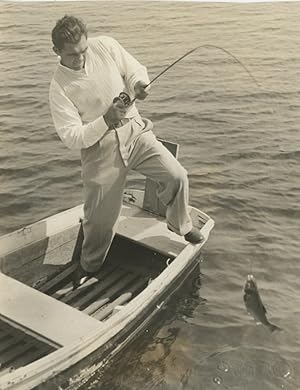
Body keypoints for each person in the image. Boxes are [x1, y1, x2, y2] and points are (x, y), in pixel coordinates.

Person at [49, 15, 203, 288]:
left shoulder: (105, 45)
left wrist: (139, 84)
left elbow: (134, 69)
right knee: (99, 217)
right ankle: (89, 265)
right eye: (72, 55)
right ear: (57, 52)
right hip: (100, 147)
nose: (81, 58)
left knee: (176, 176)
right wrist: (105, 120)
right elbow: (73, 138)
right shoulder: (59, 87)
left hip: (135, 131)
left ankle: (181, 224)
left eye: (84, 50)